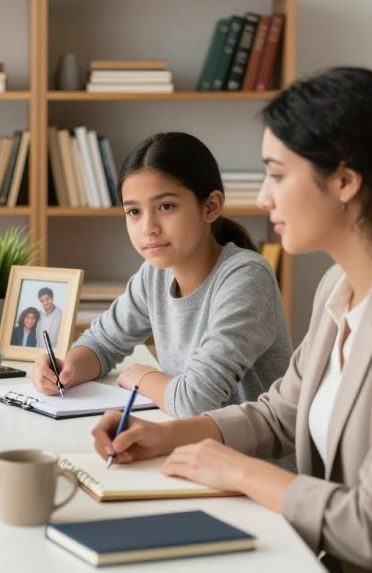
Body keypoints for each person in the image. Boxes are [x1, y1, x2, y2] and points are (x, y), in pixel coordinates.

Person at [91, 68, 372, 573]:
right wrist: (169, 434)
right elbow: (277, 415)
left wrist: (236, 470)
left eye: (278, 175)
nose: (263, 197)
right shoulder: (339, 287)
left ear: (345, 180)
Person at [32, 132, 293, 422]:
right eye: (133, 211)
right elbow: (102, 343)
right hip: (190, 448)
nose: (148, 227)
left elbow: (195, 401)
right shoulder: (155, 274)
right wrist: (64, 370)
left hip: (249, 461)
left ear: (211, 207)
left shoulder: (246, 278)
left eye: (166, 206)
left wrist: (143, 376)